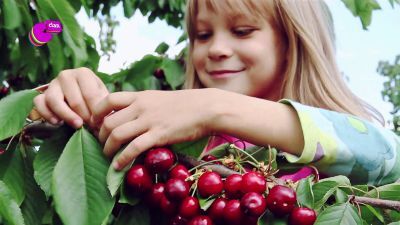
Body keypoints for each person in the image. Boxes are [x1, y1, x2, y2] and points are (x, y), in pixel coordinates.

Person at [33, 0, 400, 185]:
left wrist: (215, 106)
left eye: (242, 31)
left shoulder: (339, 144)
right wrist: (69, 100)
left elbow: (388, 154)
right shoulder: (172, 140)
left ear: (292, 42)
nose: (216, 49)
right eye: (203, 35)